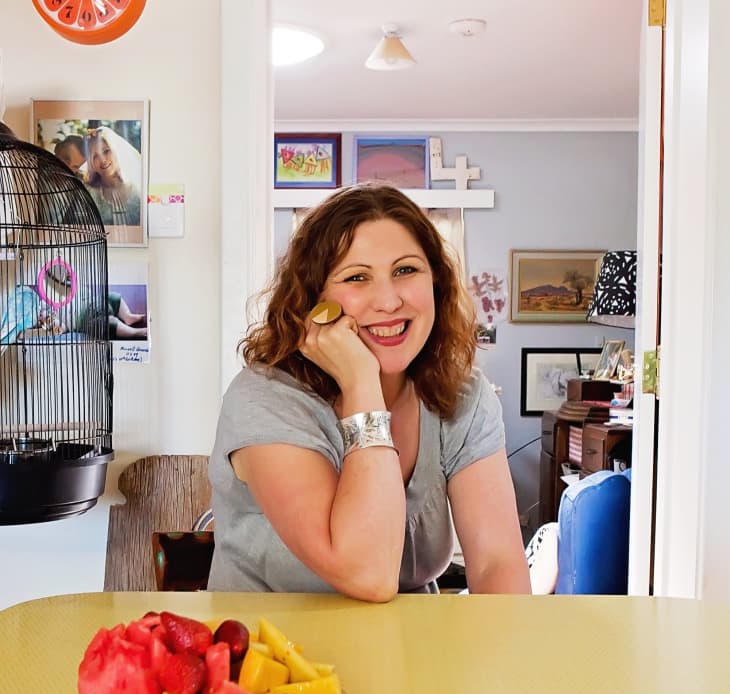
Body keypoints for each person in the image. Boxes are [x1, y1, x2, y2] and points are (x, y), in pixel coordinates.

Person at [208, 182, 530, 601]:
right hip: (265, 654)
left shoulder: (464, 395)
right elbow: (366, 574)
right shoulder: (263, 399)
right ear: (314, 301)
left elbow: (496, 564)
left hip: (409, 651)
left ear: (436, 282)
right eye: (357, 277)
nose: (389, 300)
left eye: (406, 270)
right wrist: (362, 383)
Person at [84, 126, 142, 226]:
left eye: (106, 151)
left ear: (116, 151)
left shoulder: (138, 188)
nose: (102, 160)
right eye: (95, 156)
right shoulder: (89, 194)